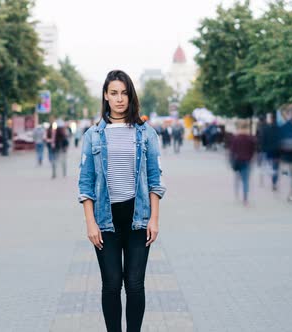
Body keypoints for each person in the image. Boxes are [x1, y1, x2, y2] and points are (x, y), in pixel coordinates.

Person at [78, 70, 166, 332]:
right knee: (112, 284)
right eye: (114, 93)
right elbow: (85, 183)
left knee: (136, 285)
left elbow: (155, 179)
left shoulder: (145, 133)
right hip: (106, 219)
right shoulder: (92, 135)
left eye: (124, 93)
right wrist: (90, 223)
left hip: (138, 217)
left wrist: (154, 218)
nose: (119, 99)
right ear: (105, 95)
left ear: (131, 96)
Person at [229, 120, 256, 205]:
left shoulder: (236, 138)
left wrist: (231, 161)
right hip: (247, 161)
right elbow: (253, 151)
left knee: (237, 178)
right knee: (245, 180)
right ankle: (245, 198)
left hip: (237, 161)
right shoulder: (251, 138)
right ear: (247, 128)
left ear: (239, 128)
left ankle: (236, 193)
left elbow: (232, 152)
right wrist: (251, 159)